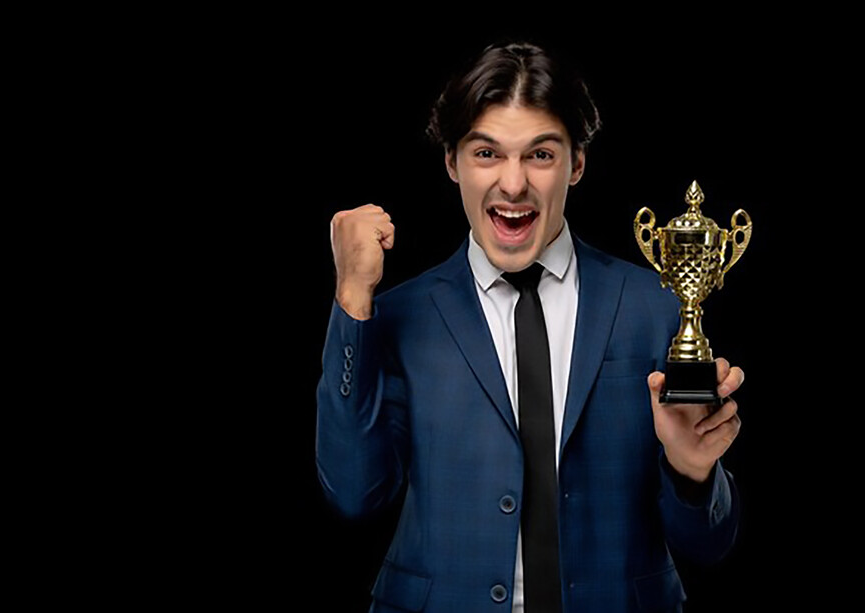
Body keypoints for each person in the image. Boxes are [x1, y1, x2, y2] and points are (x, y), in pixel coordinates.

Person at [316, 40, 744, 613]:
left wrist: (692, 471)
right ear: (452, 163)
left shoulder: (656, 306)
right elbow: (353, 493)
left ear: (577, 163)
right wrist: (351, 296)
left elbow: (709, 545)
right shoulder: (402, 316)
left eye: (540, 154)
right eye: (486, 153)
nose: (513, 185)